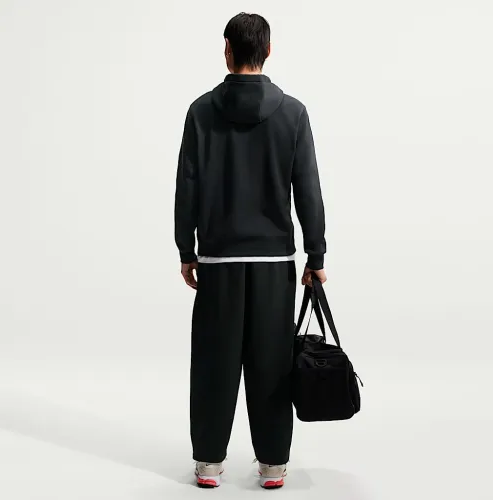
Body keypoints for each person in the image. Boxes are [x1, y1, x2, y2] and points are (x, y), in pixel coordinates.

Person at [174, 12, 326, 489]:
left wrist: (186, 249)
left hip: (218, 261)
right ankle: (273, 465)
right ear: (268, 50)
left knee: (213, 363)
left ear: (227, 49)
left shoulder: (201, 112)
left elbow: (186, 186)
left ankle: (208, 463)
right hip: (274, 263)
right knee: (272, 365)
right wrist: (316, 256)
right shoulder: (293, 113)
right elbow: (308, 189)